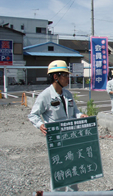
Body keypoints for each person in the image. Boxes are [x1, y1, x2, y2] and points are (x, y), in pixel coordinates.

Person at [28, 60, 88, 192]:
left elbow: (75, 112)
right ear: (56, 77)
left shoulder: (68, 94)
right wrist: (40, 125)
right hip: (57, 141)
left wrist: (80, 115)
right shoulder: (45, 96)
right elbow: (33, 115)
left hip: (71, 137)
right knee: (59, 173)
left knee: (73, 171)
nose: (68, 78)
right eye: (65, 75)